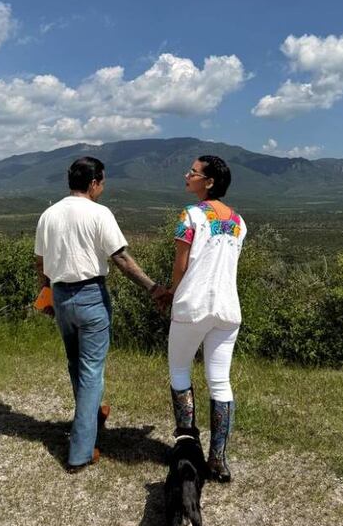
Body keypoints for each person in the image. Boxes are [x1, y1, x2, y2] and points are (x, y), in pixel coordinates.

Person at [35, 156, 165, 472]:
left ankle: (93, 415)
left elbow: (40, 262)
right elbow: (120, 259)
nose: (103, 187)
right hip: (91, 296)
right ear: (94, 183)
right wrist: (153, 288)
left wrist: (46, 294)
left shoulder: (49, 214)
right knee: (91, 370)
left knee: (75, 363)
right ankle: (79, 451)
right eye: (103, 182)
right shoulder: (99, 213)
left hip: (62, 295)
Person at [164, 155, 247, 483]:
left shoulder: (190, 216)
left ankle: (187, 448)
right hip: (227, 308)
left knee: (180, 372)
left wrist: (170, 293)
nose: (187, 175)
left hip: (192, 305)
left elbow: (181, 265)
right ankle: (218, 460)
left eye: (193, 172)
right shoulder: (240, 222)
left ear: (209, 181)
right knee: (220, 381)